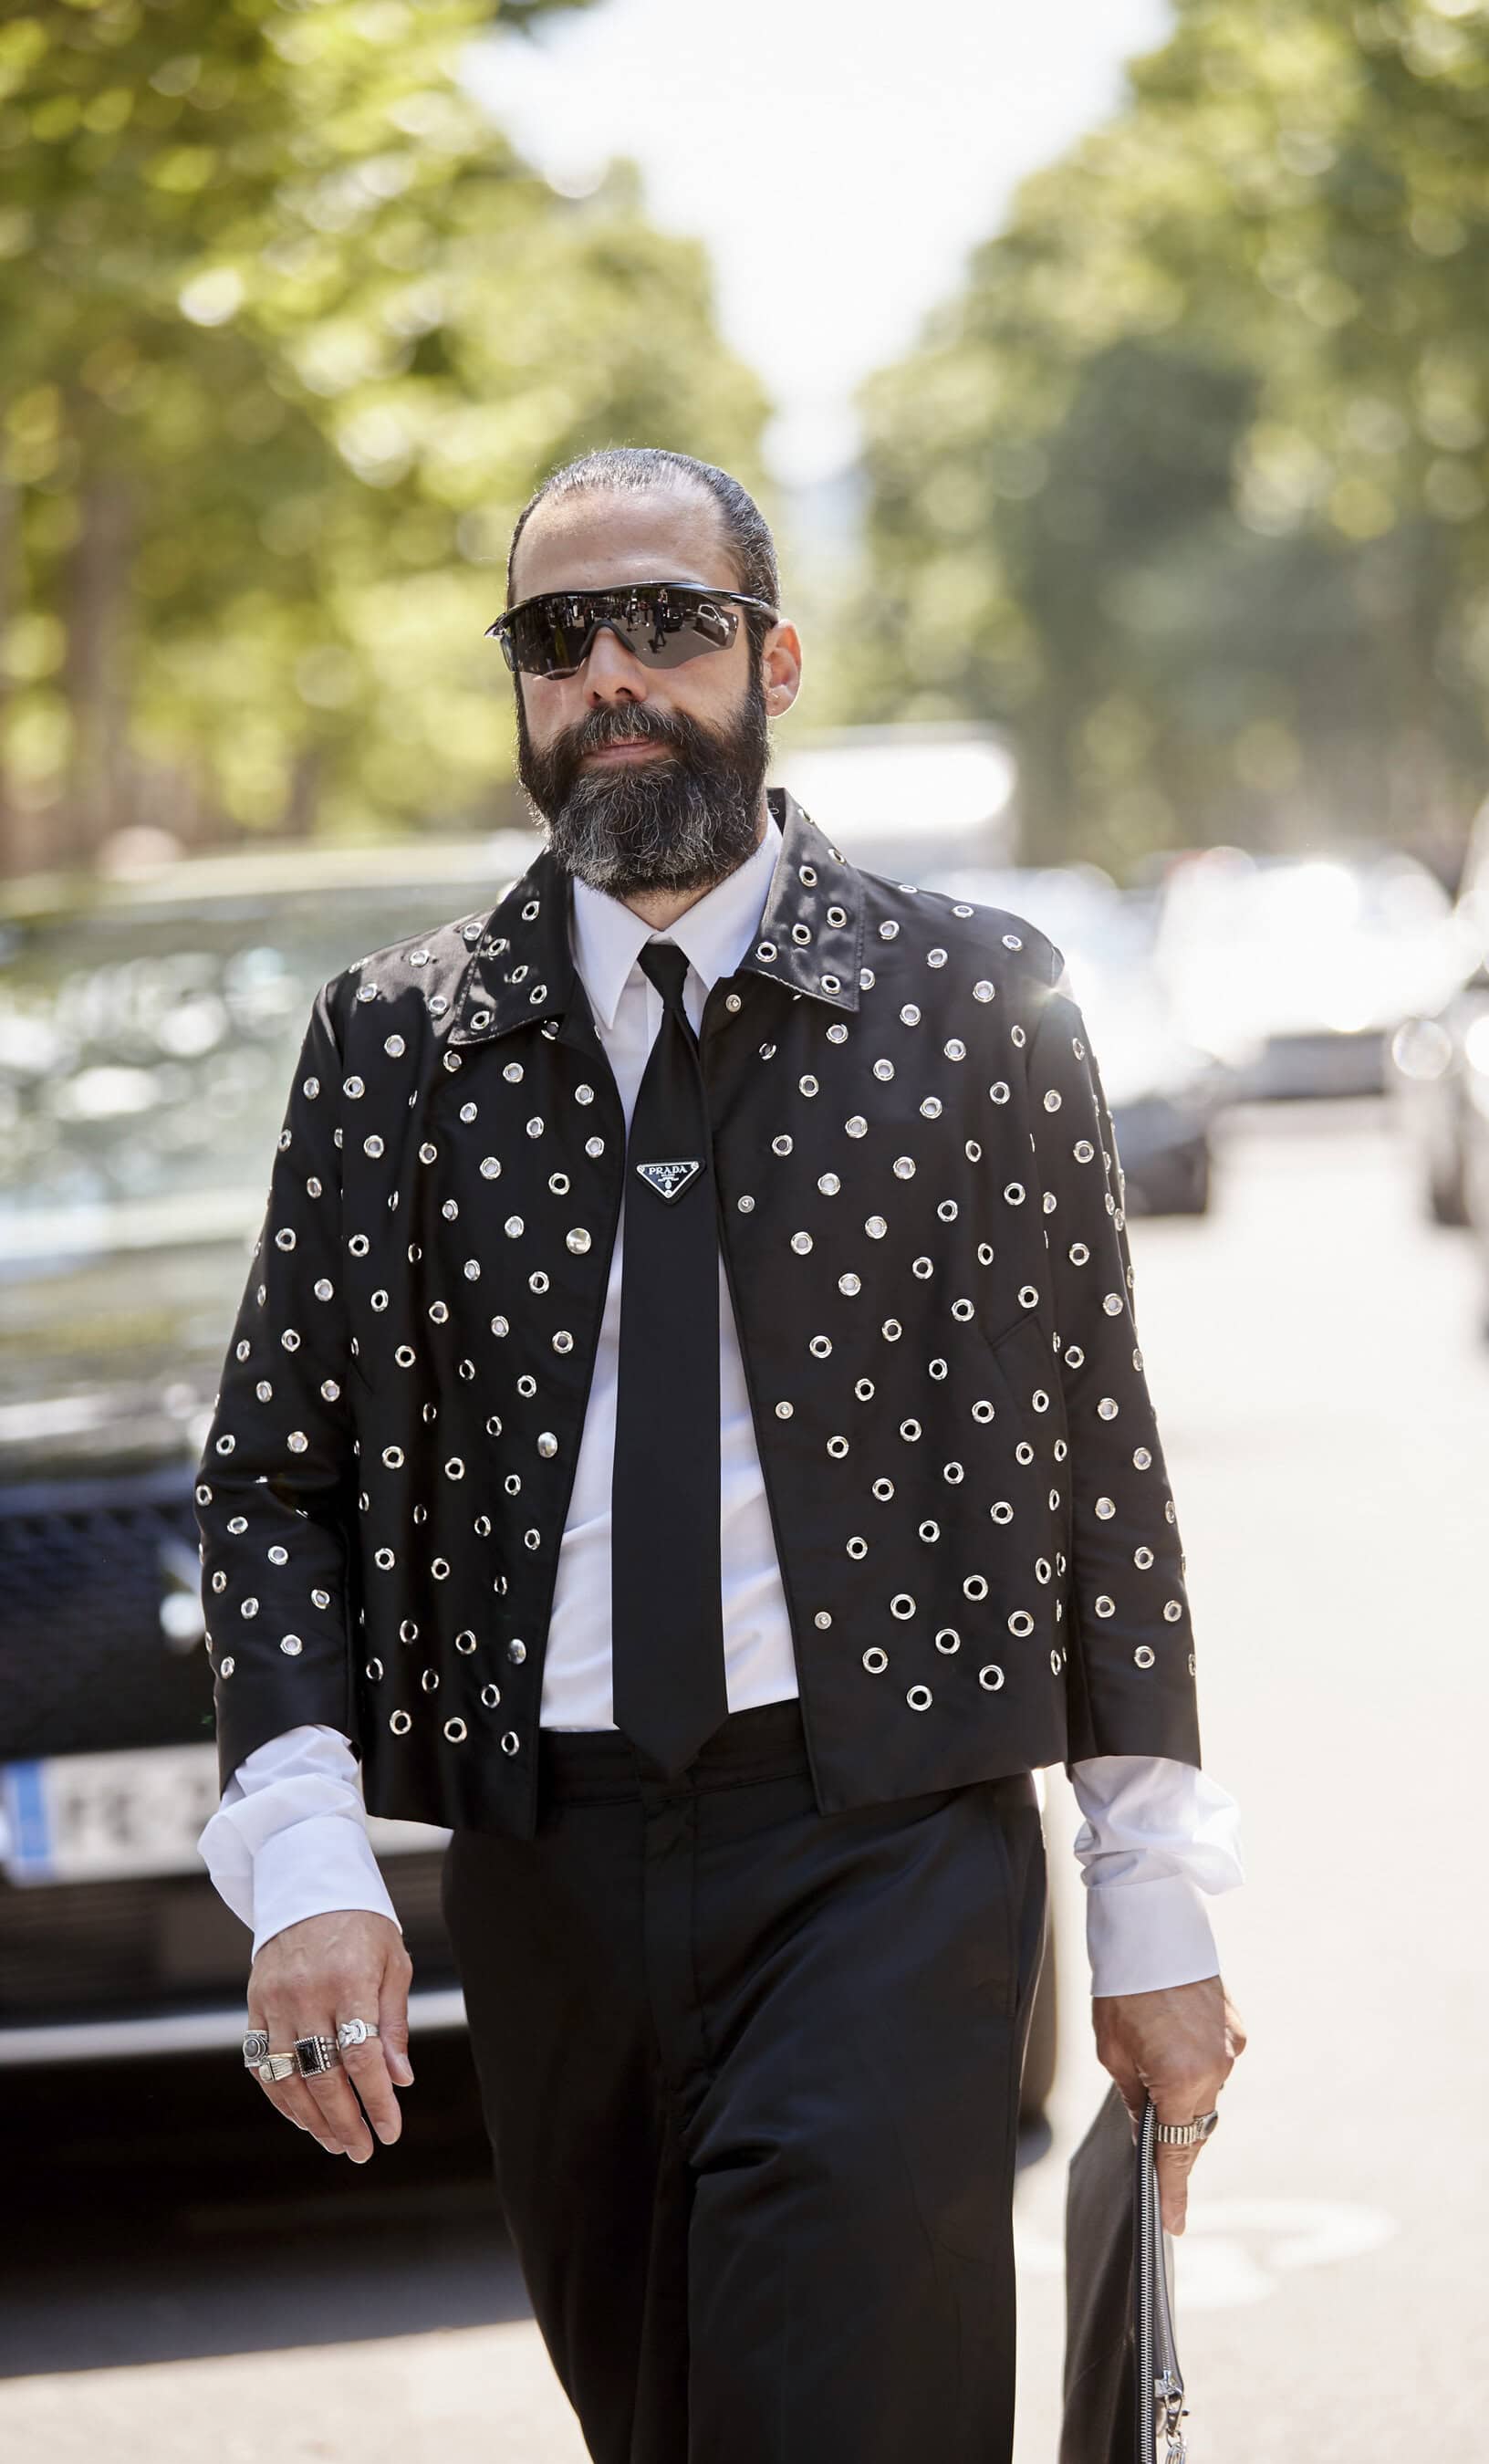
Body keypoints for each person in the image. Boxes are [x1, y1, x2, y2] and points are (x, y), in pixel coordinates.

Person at [195, 446, 1246, 2464]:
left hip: (886, 1850)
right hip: (547, 1874)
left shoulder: (977, 1003)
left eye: (666, 623)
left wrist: (1153, 1907)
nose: (610, 675)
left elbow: (1095, 1475)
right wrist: (308, 1867)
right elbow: (277, 1481)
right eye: (556, 637)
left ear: (774, 661)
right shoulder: (396, 1045)